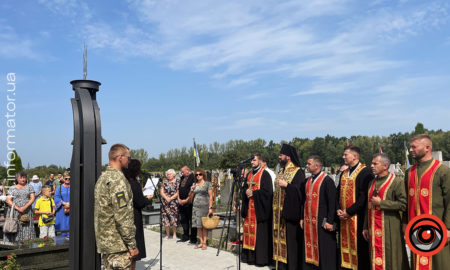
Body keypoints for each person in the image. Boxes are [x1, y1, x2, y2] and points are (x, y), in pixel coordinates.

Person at [402, 134, 450, 270]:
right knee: (417, 262)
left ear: (427, 147)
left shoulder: (442, 171)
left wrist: (448, 228)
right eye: (410, 147)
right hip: (415, 229)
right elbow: (406, 200)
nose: (410, 150)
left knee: (439, 263)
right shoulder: (409, 172)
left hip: (438, 228)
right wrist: (405, 222)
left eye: (414, 147)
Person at [94, 143, 138, 269]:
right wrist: (132, 245)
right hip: (118, 244)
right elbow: (122, 216)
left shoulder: (102, 179)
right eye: (128, 158)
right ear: (120, 158)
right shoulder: (118, 180)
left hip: (106, 244)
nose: (129, 161)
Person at [362, 153, 409, 270]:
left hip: (390, 226)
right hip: (373, 226)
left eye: (375, 164)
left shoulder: (396, 182)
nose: (371, 166)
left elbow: (403, 204)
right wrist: (365, 226)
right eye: (371, 163)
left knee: (391, 256)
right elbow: (368, 206)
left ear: (385, 166)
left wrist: (382, 203)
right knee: (375, 257)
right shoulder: (371, 183)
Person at [336, 146, 373, 270]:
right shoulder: (344, 173)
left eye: (346, 154)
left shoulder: (366, 172)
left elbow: (364, 197)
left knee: (359, 250)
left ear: (355, 156)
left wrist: (349, 211)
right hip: (344, 218)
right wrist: (338, 210)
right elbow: (338, 193)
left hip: (358, 218)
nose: (343, 157)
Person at [273, 144, 305, 270]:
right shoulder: (281, 171)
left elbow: (300, 192)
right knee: (279, 240)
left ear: (288, 157)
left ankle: (291, 266)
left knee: (290, 241)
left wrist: (287, 185)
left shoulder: (298, 172)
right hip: (277, 213)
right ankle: (280, 265)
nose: (279, 157)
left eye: (281, 155)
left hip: (290, 213)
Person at [301, 155, 337, 270]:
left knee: (324, 248)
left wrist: (330, 221)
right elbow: (304, 201)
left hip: (322, 221)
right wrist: (302, 218)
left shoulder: (327, 181)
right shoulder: (307, 181)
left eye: (308, 164)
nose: (306, 166)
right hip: (308, 221)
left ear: (317, 166)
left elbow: (332, 203)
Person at [241, 153, 273, 266]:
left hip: (259, 211)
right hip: (249, 209)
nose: (252, 162)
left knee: (260, 236)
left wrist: (254, 193)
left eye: (254, 160)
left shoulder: (265, 175)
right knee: (248, 232)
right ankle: (249, 257)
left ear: (259, 161)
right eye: (251, 160)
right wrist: (245, 191)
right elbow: (244, 187)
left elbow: (268, 193)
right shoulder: (249, 174)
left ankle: (260, 259)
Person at [123, 159, 153, 270]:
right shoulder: (134, 184)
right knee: (133, 251)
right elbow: (140, 203)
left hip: (125, 217)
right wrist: (148, 199)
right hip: (134, 217)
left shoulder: (125, 182)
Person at [4, 171, 36, 243]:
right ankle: (13, 242)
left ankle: (27, 242)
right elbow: (8, 200)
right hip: (15, 211)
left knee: (26, 225)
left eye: (24, 177)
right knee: (15, 225)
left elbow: (32, 198)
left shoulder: (29, 187)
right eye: (21, 178)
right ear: (17, 179)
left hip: (26, 210)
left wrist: (24, 207)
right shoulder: (12, 188)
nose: (23, 179)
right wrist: (18, 208)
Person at [187, 169, 213, 250]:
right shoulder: (194, 184)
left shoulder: (207, 184)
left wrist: (210, 208)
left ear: (203, 175)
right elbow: (190, 197)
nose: (198, 176)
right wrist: (191, 190)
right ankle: (201, 242)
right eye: (196, 175)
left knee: (204, 226)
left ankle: (205, 242)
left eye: (200, 174)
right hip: (195, 207)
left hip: (205, 207)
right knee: (198, 226)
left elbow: (211, 196)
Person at [177, 165, 197, 244]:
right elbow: (179, 189)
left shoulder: (193, 177)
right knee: (183, 220)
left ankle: (193, 237)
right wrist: (179, 199)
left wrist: (186, 200)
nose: (182, 173)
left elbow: (193, 191)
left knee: (191, 220)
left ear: (187, 170)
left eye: (183, 171)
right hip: (181, 202)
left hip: (189, 202)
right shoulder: (182, 178)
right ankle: (185, 236)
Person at [160, 168, 179, 240]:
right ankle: (167, 235)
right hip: (165, 203)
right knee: (165, 219)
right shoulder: (165, 182)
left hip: (173, 203)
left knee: (174, 218)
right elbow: (161, 191)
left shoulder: (177, 182)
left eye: (169, 174)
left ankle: (174, 234)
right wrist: (166, 198)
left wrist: (171, 198)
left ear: (173, 174)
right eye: (167, 174)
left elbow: (178, 192)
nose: (168, 175)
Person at [55, 171, 70, 237]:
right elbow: (56, 198)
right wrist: (64, 203)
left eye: (69, 178)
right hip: (61, 209)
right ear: (63, 179)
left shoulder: (74, 187)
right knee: (62, 225)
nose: (67, 180)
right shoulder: (59, 188)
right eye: (66, 178)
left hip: (71, 209)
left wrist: (70, 203)